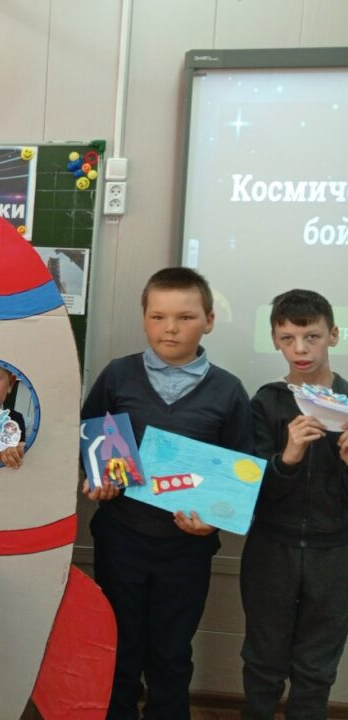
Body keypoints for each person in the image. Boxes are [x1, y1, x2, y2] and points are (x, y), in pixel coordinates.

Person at [81, 267, 253, 720]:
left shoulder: (228, 390)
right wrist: (96, 479)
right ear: (144, 318)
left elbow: (239, 471)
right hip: (121, 540)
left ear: (209, 321)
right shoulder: (118, 376)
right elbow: (89, 440)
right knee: (119, 649)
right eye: (158, 317)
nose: (170, 328)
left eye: (185, 317)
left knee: (172, 656)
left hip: (186, 549)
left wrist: (212, 521)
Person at [241, 289, 348, 720]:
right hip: (272, 550)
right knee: (263, 662)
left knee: (316, 669)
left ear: (333, 336)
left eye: (311, 337)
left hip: (336, 553)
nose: (300, 349)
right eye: (287, 338)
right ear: (275, 340)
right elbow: (250, 490)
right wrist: (286, 458)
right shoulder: (266, 401)